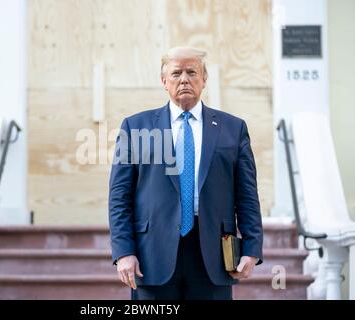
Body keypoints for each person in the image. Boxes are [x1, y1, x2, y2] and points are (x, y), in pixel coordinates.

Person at [108, 47, 263, 300]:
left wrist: (251, 248)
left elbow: (247, 194)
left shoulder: (233, 128)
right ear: (163, 81)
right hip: (152, 255)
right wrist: (124, 251)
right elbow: (119, 197)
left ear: (204, 79)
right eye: (176, 73)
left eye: (192, 72)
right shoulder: (135, 127)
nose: (184, 79)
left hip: (213, 253)